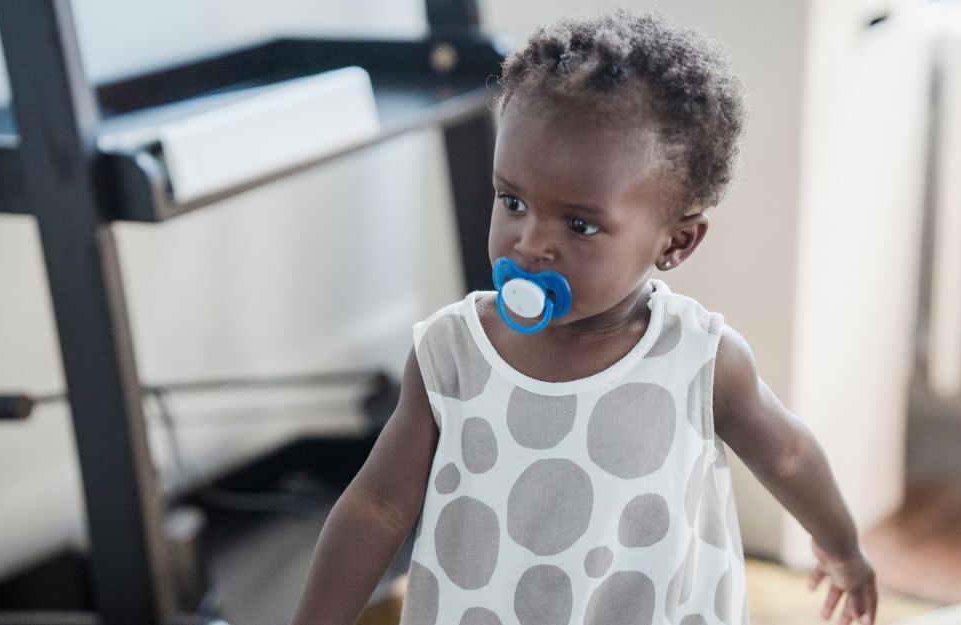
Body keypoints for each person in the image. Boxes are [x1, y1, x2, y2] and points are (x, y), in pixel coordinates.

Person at [291, 9, 877, 625]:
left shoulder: (700, 360)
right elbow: (378, 507)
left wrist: (842, 548)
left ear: (674, 243)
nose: (530, 242)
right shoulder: (450, 354)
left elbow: (786, 455)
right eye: (511, 201)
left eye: (578, 223)